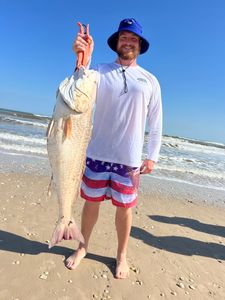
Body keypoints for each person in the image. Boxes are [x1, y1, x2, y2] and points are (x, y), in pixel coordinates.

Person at [66, 18, 163, 279]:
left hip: (128, 159)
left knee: (125, 208)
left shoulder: (150, 80)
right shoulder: (100, 70)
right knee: (91, 203)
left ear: (140, 45)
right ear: (116, 43)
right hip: (97, 153)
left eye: (133, 38)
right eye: (124, 38)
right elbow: (79, 86)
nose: (128, 42)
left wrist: (152, 156)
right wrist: (83, 55)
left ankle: (121, 255)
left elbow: (156, 122)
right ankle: (83, 247)